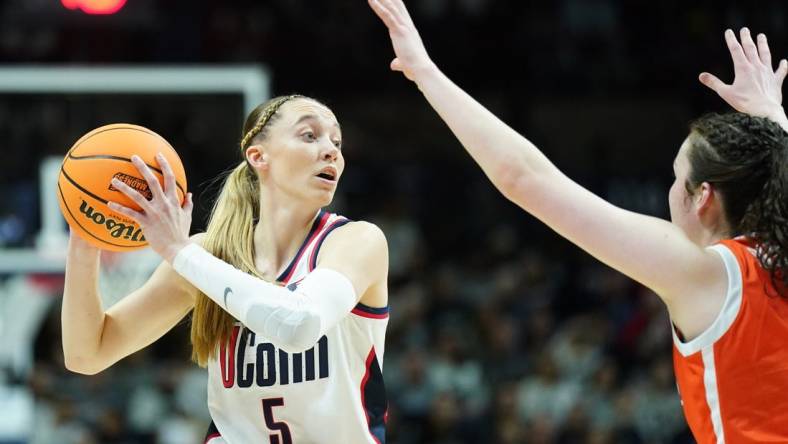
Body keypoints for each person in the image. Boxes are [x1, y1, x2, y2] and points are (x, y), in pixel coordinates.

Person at [368, 0, 788, 441]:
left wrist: (425, 72)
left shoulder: (705, 274)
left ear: (702, 197)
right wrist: (774, 124)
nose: (669, 190)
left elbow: (524, 178)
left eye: (675, 177)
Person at [61, 94, 390, 444]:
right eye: (310, 135)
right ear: (258, 156)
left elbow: (299, 324)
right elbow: (86, 354)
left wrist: (178, 251)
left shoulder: (357, 242)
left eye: (336, 142)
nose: (331, 151)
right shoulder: (206, 255)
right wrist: (85, 238)